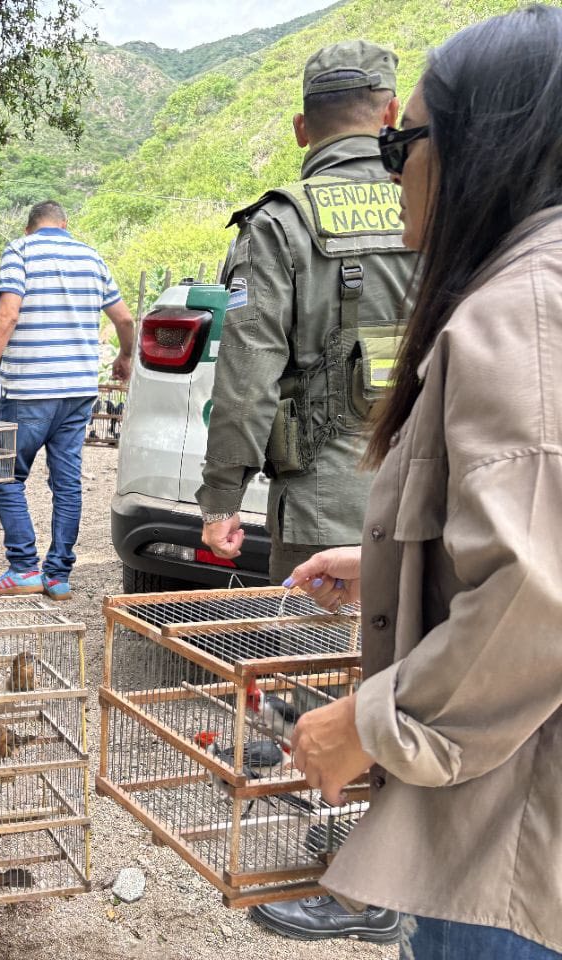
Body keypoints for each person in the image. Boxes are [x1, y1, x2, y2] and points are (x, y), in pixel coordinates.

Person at [286, 8, 562, 958]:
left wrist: (371, 726)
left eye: (403, 145)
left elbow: (538, 594)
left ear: (482, 148)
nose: (392, 170)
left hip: (512, 852)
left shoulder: (522, 311)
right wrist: (394, 563)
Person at [196, 42, 414, 942]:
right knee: (411, 678)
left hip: (328, 502)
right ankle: (392, 870)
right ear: (391, 114)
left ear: (300, 129)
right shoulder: (436, 197)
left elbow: (247, 375)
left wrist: (221, 497)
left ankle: (360, 887)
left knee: (334, 683)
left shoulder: (283, 223)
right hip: (430, 488)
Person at [0, 200, 134, 602]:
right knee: (67, 484)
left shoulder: (20, 251)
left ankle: (23, 568)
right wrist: (125, 357)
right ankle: (57, 576)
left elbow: (7, 316)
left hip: (29, 389)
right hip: (78, 391)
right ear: (64, 225)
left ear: (28, 228)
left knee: (4, 474)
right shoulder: (91, 256)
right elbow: (125, 319)